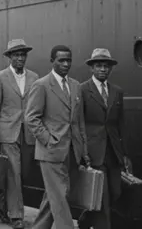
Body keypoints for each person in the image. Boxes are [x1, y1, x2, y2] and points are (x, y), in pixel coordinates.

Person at [24, 45, 89, 229]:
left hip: (72, 150)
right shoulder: (41, 85)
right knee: (60, 195)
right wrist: (48, 139)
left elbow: (79, 122)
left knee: (54, 194)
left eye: (68, 60)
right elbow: (31, 117)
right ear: (52, 61)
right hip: (51, 150)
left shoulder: (76, 86)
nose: (66, 64)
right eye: (61, 60)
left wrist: (84, 150)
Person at [78, 48, 130, 229]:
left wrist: (125, 154)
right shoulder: (83, 90)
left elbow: (120, 124)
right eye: (98, 66)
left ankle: (86, 219)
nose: (102, 69)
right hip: (93, 152)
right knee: (103, 195)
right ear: (91, 68)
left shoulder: (117, 91)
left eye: (106, 66)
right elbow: (80, 123)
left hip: (113, 152)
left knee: (115, 192)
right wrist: (82, 153)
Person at [0, 39, 39, 229]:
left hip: (29, 132)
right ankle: (16, 215)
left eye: (23, 55)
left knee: (24, 175)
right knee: (14, 174)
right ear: (9, 57)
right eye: (16, 55)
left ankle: (4, 204)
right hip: (7, 132)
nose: (20, 58)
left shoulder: (35, 77)